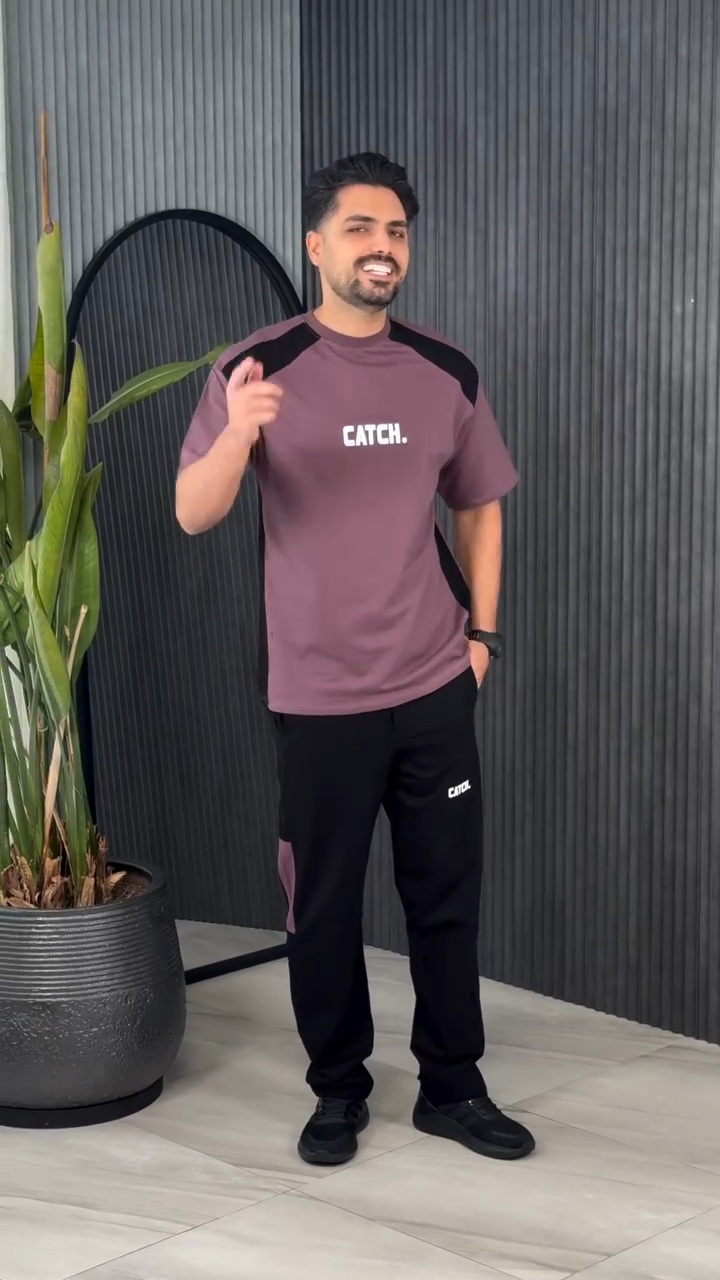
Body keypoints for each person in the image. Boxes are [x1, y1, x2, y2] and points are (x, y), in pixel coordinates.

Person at [176, 151, 535, 1167]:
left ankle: (453, 1086)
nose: (383, 248)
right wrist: (237, 436)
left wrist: (482, 638)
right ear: (317, 245)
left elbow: (480, 503)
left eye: (397, 232)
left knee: (445, 897)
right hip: (319, 694)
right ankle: (338, 1089)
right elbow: (192, 512)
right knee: (323, 908)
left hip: (433, 684)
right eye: (361, 228)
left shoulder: (444, 370)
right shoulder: (260, 366)